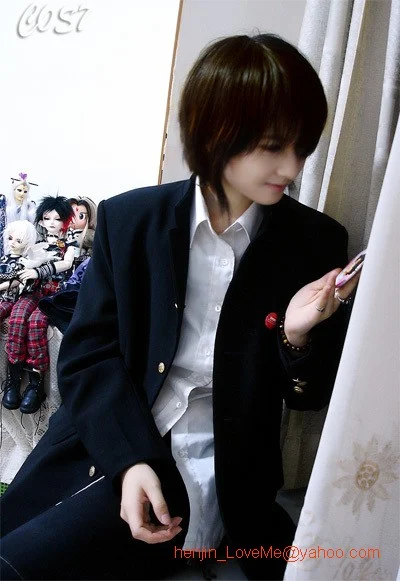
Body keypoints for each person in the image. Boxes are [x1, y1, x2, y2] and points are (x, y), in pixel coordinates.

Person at [0, 34, 360, 581]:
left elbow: (309, 400)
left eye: (302, 148)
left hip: (221, 468)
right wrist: (130, 461)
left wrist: (296, 336)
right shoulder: (130, 220)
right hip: (109, 440)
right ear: (214, 132)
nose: (291, 167)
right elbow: (88, 356)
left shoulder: (314, 242)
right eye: (272, 146)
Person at [1, 196, 74, 414]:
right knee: (17, 317)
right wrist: (15, 279)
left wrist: (39, 270)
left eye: (57, 219)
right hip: (31, 291)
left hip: (54, 295)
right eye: (47, 218)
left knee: (36, 323)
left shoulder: (69, 246)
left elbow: (66, 264)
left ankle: (36, 382)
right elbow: (20, 271)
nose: (51, 222)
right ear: (41, 220)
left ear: (64, 221)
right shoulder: (34, 245)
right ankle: (14, 378)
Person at [0, 173, 37, 256]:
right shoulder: (3, 203)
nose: (22, 194)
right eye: (19, 190)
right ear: (13, 190)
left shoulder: (29, 206)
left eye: (25, 191)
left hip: (20, 240)